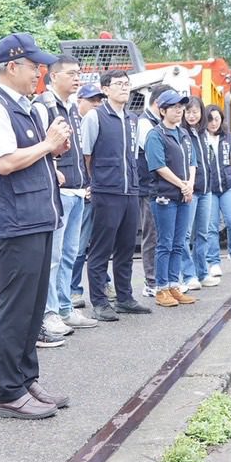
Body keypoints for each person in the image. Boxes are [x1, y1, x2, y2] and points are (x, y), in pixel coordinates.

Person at [0, 32, 72, 420]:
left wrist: (55, 147)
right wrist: (48, 145)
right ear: (12, 67)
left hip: (38, 219)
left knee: (32, 309)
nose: (40, 72)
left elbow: (35, 158)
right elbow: (4, 163)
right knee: (15, 309)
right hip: (16, 223)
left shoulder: (29, 108)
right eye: (34, 66)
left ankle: (27, 378)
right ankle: (9, 391)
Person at [80, 69, 151, 321]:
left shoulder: (133, 119)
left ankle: (124, 298)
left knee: (126, 248)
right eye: (119, 84)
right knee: (101, 248)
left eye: (127, 84)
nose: (124, 88)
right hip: (106, 191)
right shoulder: (95, 116)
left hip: (130, 190)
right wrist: (96, 182)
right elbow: (87, 154)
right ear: (106, 89)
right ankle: (99, 301)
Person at [41, 57, 97, 339]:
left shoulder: (72, 109)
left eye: (79, 73)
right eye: (71, 74)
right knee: (53, 256)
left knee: (69, 255)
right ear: (53, 77)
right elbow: (41, 147)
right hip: (59, 192)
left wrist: (85, 183)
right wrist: (53, 170)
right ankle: (49, 312)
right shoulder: (45, 106)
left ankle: (65, 307)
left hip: (77, 189)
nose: (77, 78)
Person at [145, 89, 196, 307]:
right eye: (174, 107)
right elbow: (158, 166)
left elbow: (193, 162)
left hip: (183, 195)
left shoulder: (184, 134)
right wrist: (182, 185)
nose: (179, 110)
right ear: (162, 110)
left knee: (179, 241)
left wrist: (190, 184)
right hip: (165, 196)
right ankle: (161, 288)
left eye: (181, 107)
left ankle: (175, 284)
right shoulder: (155, 135)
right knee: (164, 243)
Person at [69, 82, 105, 302]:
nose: (96, 105)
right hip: (80, 192)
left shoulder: (100, 123)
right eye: (91, 100)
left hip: (99, 191)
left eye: (99, 101)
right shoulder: (71, 125)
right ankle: (74, 290)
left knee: (101, 244)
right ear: (79, 101)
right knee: (77, 246)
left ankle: (104, 284)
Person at [199, 103, 231, 276]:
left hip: (229, 185)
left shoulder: (229, 137)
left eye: (217, 119)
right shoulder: (200, 137)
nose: (213, 123)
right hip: (209, 188)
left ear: (221, 119)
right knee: (211, 225)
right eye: (210, 119)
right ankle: (214, 262)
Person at [134, 85, 167, 299]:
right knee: (152, 234)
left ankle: (162, 279)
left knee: (163, 235)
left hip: (162, 187)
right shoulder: (145, 123)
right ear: (158, 103)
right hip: (149, 187)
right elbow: (155, 155)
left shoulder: (159, 123)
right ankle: (151, 281)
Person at [181, 96, 215, 289]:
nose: (192, 115)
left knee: (202, 234)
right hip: (190, 190)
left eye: (195, 111)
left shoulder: (202, 133)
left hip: (206, 190)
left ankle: (202, 272)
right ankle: (188, 275)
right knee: (185, 235)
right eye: (188, 111)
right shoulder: (182, 132)